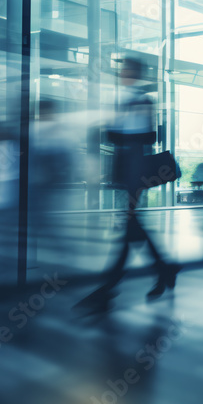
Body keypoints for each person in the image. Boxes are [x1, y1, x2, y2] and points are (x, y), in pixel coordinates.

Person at [78, 58, 181, 311]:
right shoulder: (125, 98)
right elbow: (124, 134)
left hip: (134, 168)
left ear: (135, 73)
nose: (122, 73)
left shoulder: (139, 99)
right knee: (132, 227)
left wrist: (114, 129)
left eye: (126, 70)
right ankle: (164, 269)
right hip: (127, 168)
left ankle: (109, 287)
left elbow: (146, 136)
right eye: (122, 70)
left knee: (129, 226)